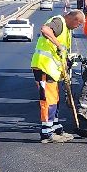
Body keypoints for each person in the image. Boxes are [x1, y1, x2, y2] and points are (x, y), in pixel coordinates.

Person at [29, 13, 73, 142]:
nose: (79, 26)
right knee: (48, 101)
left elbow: (61, 56)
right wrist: (58, 45)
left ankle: (55, 127)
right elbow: (45, 29)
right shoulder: (59, 22)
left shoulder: (66, 29)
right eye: (79, 23)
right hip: (44, 67)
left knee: (54, 100)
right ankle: (47, 133)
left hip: (51, 71)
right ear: (73, 19)